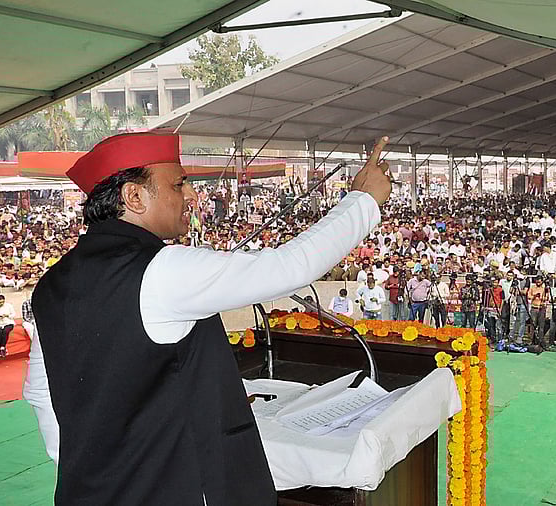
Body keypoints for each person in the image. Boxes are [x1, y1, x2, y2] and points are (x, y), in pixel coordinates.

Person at [23, 132, 391, 504]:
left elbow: (42, 394)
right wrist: (363, 201)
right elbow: (289, 266)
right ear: (134, 197)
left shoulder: (52, 284)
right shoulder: (161, 270)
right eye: (178, 184)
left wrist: (98, 468)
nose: (192, 196)